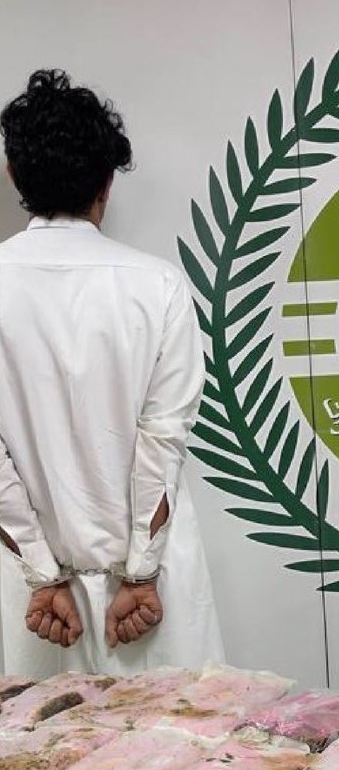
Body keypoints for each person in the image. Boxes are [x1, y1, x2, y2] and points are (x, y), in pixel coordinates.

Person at [0, 68, 224, 674]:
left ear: (13, 175)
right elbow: (162, 444)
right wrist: (141, 574)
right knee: (180, 731)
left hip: (42, 602)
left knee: (47, 736)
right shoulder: (159, 287)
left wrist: (41, 574)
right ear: (107, 180)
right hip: (150, 590)